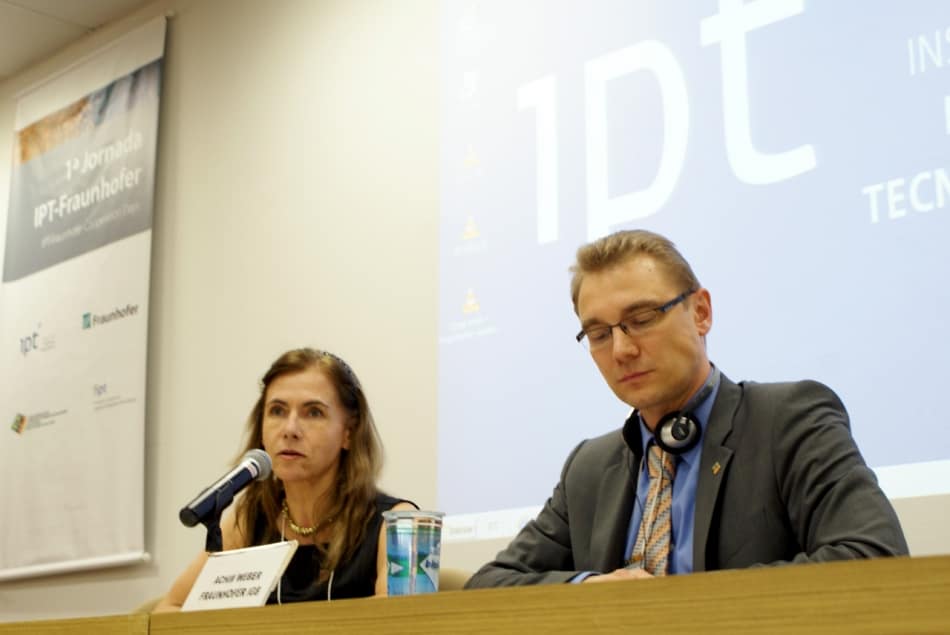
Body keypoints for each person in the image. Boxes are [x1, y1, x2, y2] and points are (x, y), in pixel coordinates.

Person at [465, 230, 908, 588]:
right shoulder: (589, 466)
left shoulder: (789, 419)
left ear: (700, 312)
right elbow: (490, 583)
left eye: (641, 319)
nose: (621, 349)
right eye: (599, 333)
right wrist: (588, 587)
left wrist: (680, 605)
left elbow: (872, 556)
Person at [154, 348, 415, 610]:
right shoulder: (247, 522)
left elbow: (403, 618)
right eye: (277, 411)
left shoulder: (399, 523)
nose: (290, 429)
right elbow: (169, 611)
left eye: (313, 413)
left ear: (349, 432)